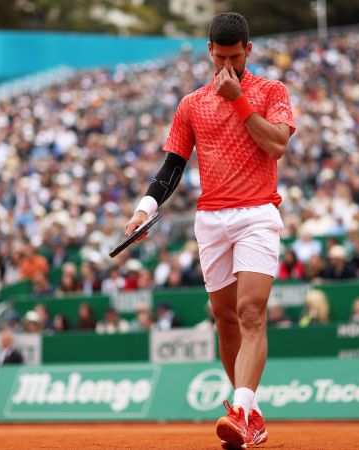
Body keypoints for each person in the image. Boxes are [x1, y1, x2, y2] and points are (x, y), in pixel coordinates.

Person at [123, 12, 295, 448]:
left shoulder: (271, 91)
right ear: (209, 52)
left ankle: (240, 409)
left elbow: (276, 143)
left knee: (252, 312)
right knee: (225, 320)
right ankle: (249, 414)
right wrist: (144, 209)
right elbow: (173, 164)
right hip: (211, 219)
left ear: (248, 51)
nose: (227, 67)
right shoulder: (191, 104)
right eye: (220, 58)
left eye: (235, 58)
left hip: (257, 212)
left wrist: (239, 99)